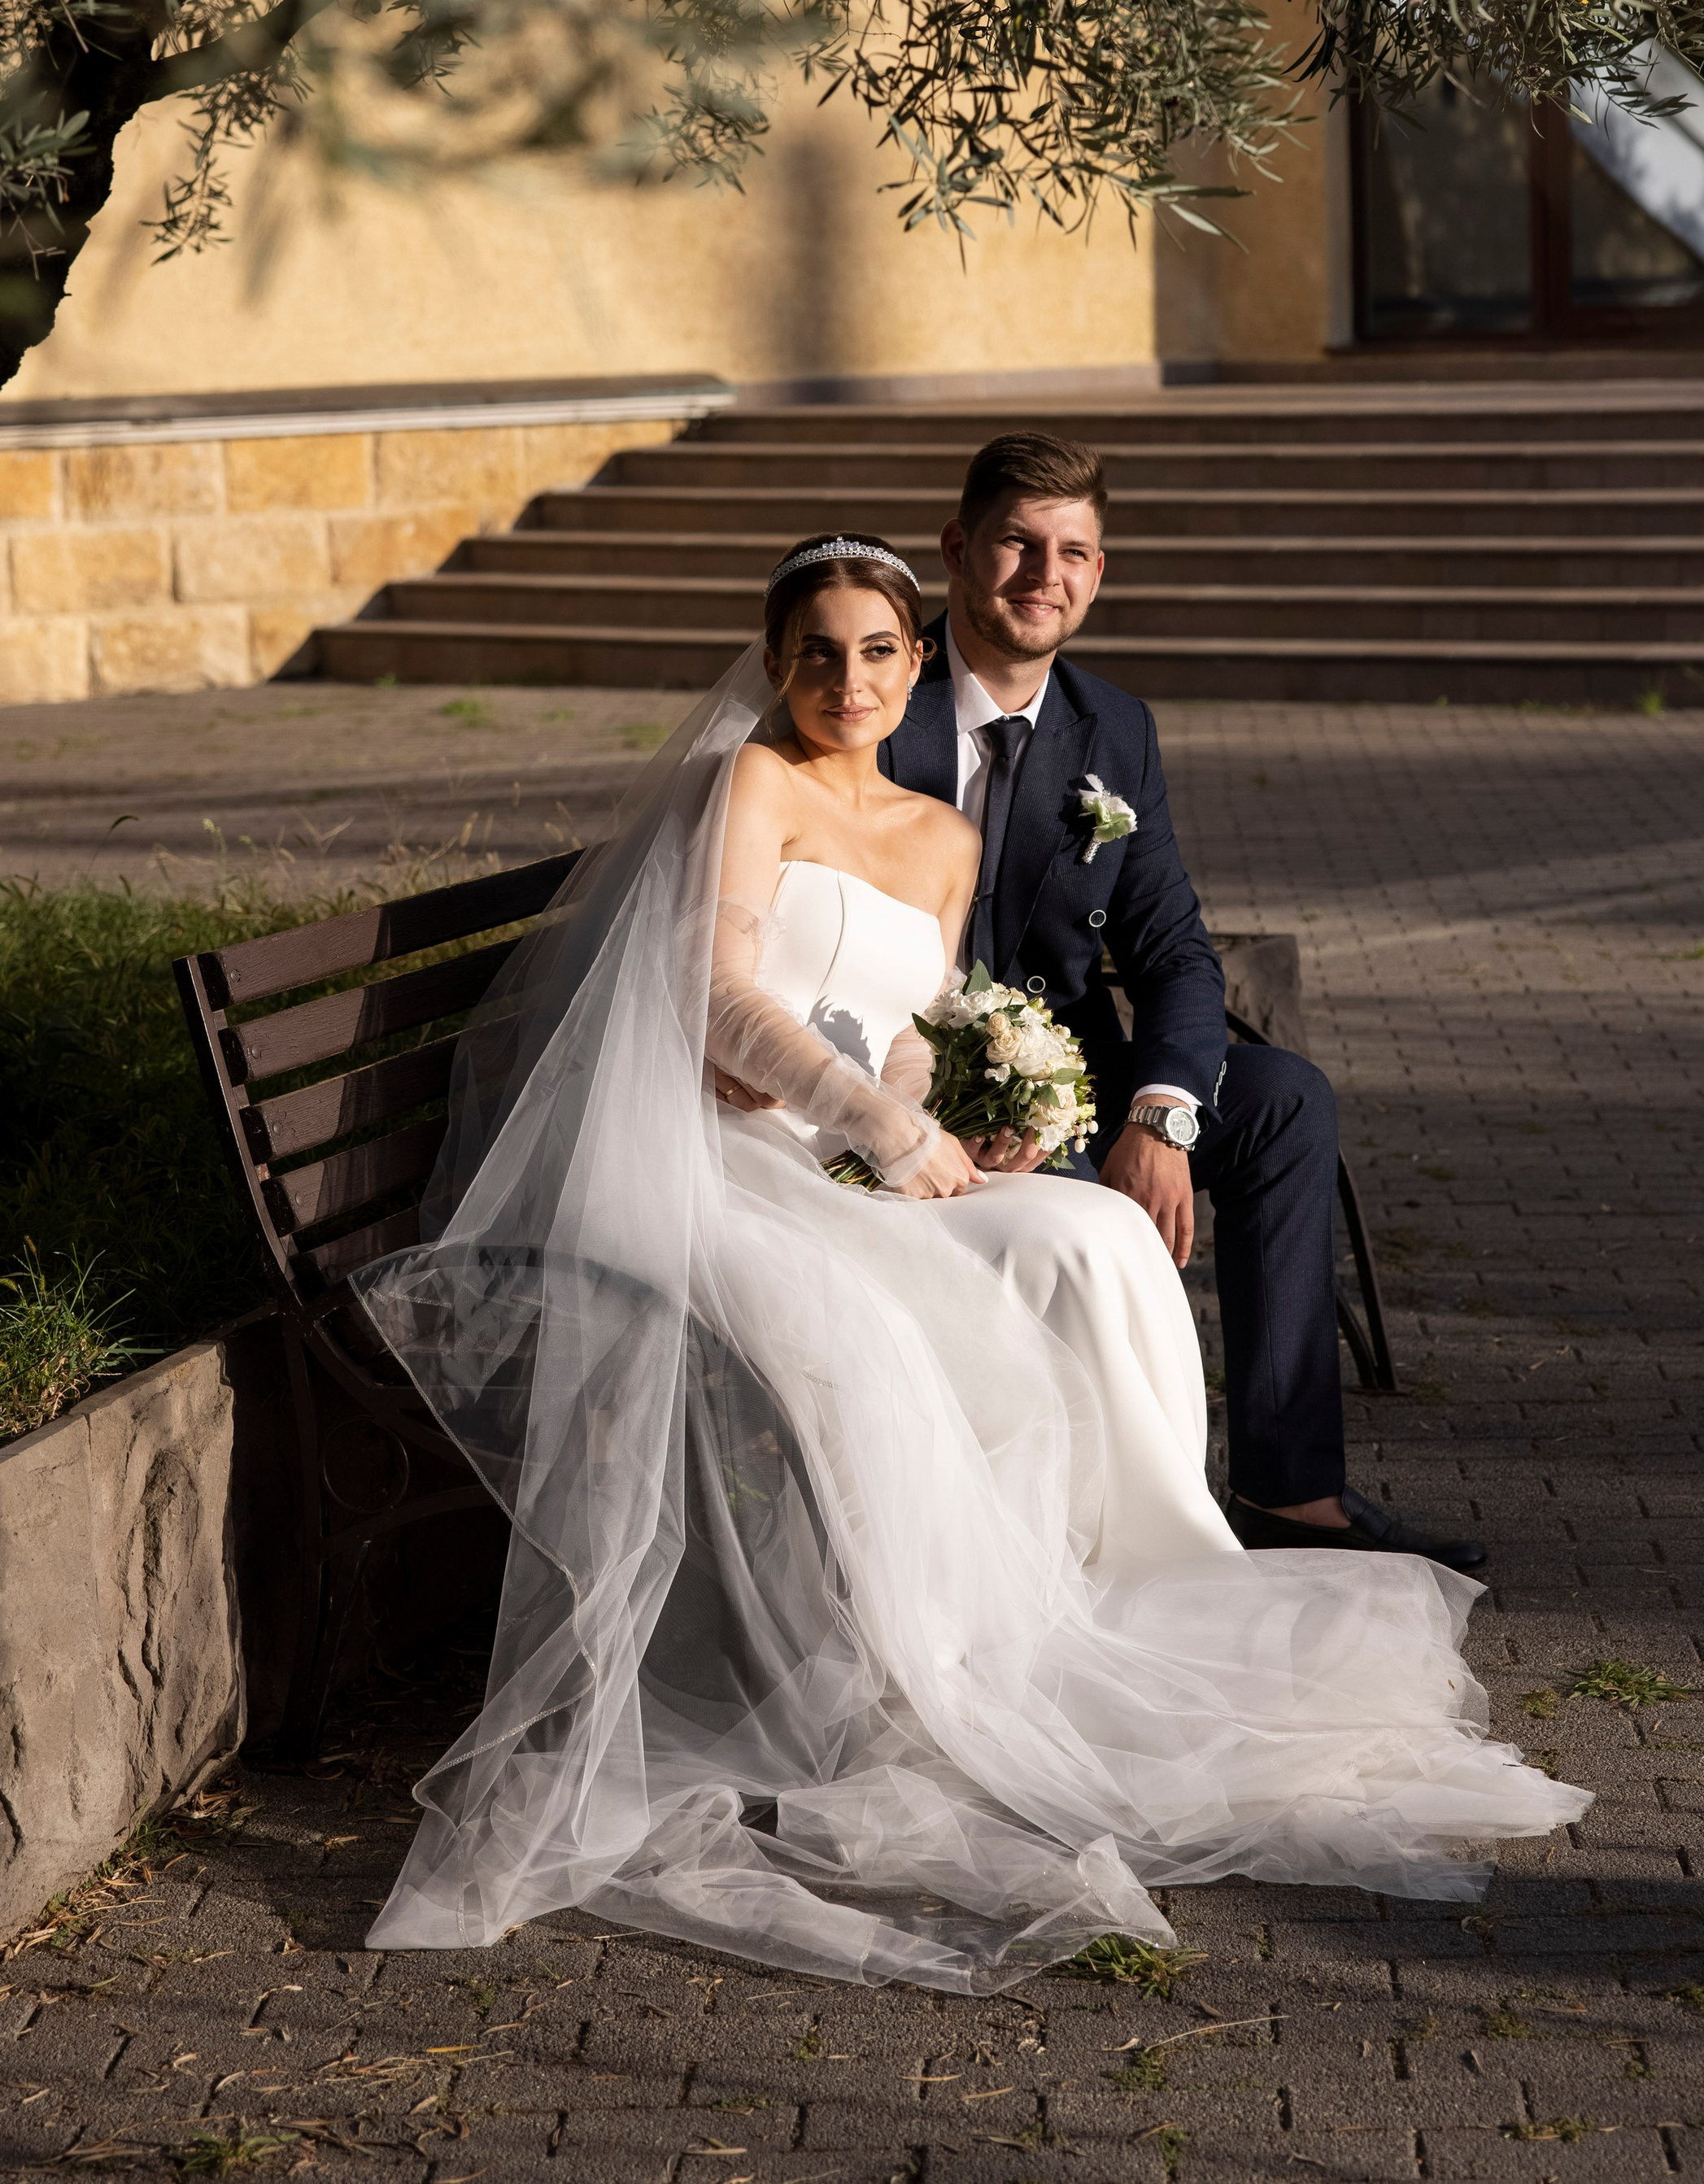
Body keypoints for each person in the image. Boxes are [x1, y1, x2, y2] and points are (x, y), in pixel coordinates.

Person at [355, 536, 1586, 1992]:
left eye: (877, 651)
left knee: (1095, 1231)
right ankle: (947, 1665)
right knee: (881, 1329)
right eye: (818, 652)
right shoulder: (753, 784)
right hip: (729, 1160)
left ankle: (1157, 1569)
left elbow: (916, 1024)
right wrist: (872, 1117)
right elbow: (717, 982)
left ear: (914, 658)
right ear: (775, 664)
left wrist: (985, 1113)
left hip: (868, 1153)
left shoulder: (940, 839)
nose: (850, 679)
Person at [878, 429, 1482, 1570]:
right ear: (957, 549)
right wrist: (922, 1103)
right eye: (1016, 542)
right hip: (902, 1092)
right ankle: (1089, 1521)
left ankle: (1289, 1492)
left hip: (1077, 1081)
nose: (1044, 575)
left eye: (1075, 552)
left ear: (1099, 573)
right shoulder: (876, 698)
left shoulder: (1115, 730)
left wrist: (1161, 1113)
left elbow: (1176, 954)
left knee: (1283, 1099)